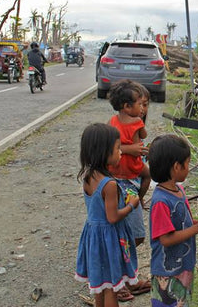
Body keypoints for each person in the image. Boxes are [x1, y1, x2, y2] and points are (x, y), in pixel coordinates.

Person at [74, 123, 141, 307]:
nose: (121, 152)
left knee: (100, 286)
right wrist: (131, 205)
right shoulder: (109, 184)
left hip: (94, 237)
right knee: (111, 286)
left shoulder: (89, 176)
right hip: (108, 240)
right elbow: (112, 217)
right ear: (103, 152)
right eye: (118, 148)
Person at [148, 134, 198, 306]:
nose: (188, 167)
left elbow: (180, 224)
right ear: (177, 167)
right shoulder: (161, 201)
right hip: (167, 271)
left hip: (183, 265)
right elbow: (166, 238)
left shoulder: (178, 190)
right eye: (187, 163)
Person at [107, 79, 152, 299]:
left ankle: (127, 278)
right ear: (127, 106)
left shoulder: (113, 122)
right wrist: (132, 147)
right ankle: (118, 281)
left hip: (129, 175)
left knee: (147, 174)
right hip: (125, 182)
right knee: (135, 236)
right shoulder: (136, 123)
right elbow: (141, 140)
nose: (142, 109)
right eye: (139, 104)